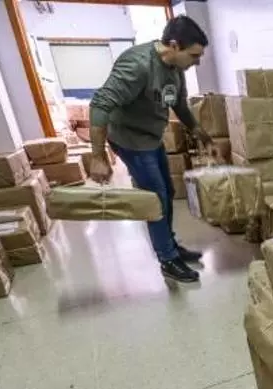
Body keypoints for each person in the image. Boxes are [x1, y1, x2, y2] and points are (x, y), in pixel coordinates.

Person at [89, 16, 212, 283]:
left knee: (167, 191)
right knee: (157, 198)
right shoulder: (138, 65)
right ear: (174, 45)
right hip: (130, 139)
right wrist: (97, 157)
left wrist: (200, 133)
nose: (197, 62)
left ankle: (170, 245)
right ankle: (167, 259)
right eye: (194, 55)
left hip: (151, 137)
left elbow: (179, 104)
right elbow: (100, 103)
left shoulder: (176, 67)